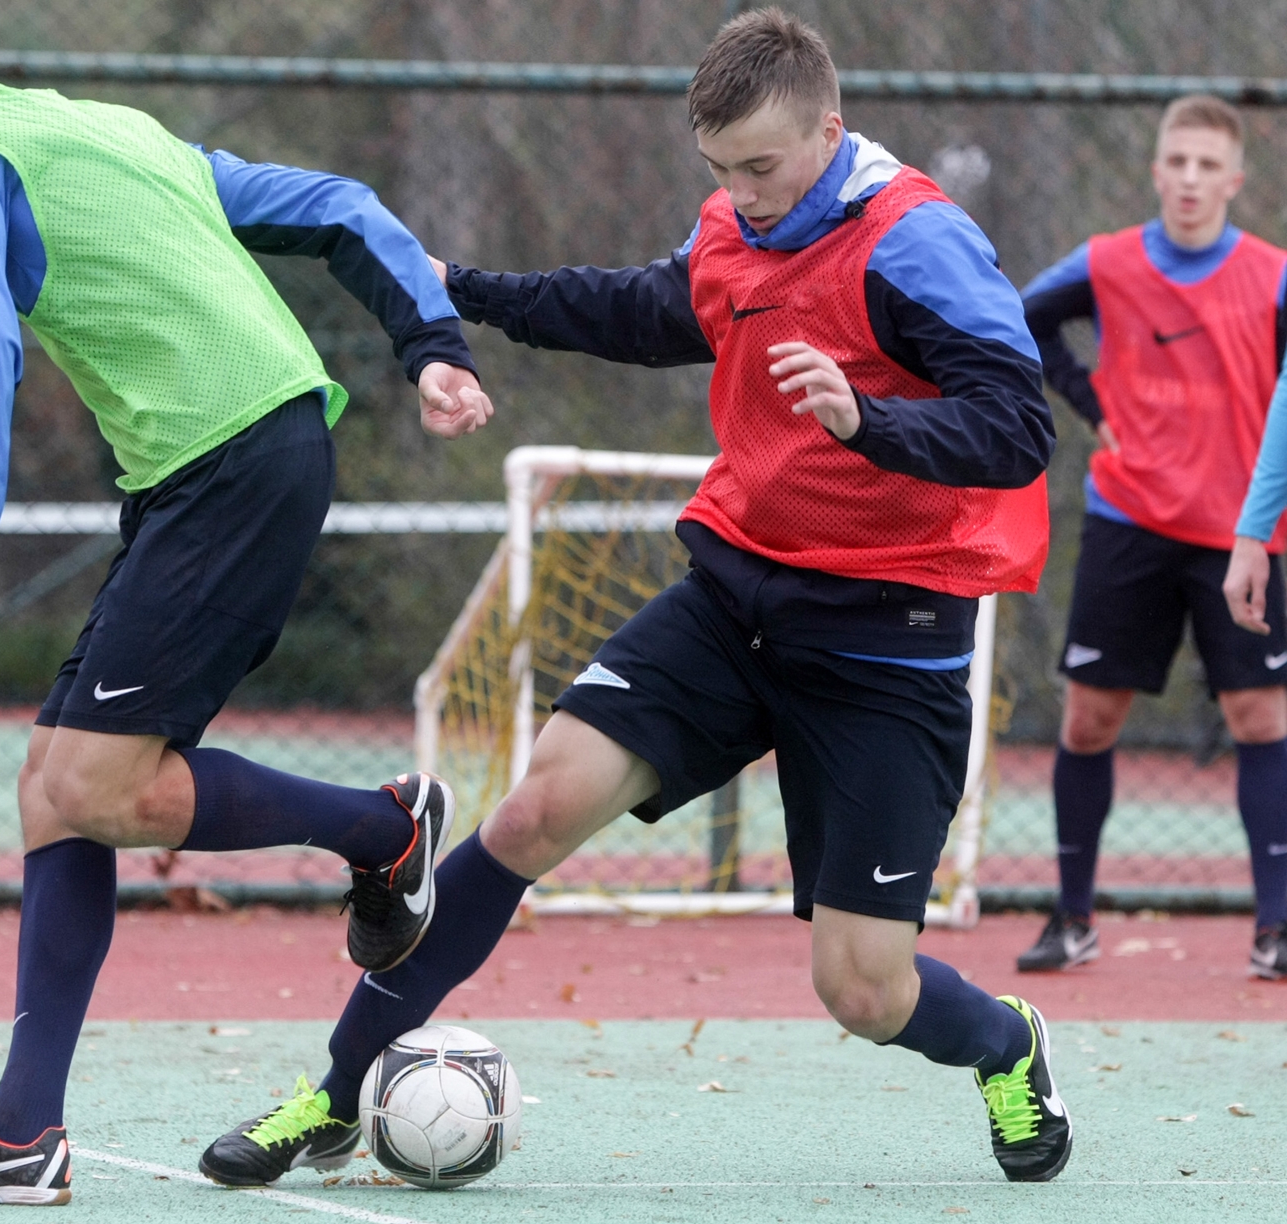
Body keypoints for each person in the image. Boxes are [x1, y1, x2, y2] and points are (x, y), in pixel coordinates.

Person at [203, 7, 1070, 1188]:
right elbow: (648, 309)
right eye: (719, 170)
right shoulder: (735, 221)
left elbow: (1019, 428)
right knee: (527, 814)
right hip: (733, 601)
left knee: (863, 990)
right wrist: (465, 290)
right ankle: (334, 1093)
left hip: (887, 638)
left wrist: (870, 419)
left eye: (762, 166)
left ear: (830, 125)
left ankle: (1004, 1043)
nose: (742, 193)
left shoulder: (915, 243)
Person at [0, 66, 493, 1205]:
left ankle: (383, 830)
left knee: (95, 785)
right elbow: (341, 204)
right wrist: (431, 340)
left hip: (227, 464)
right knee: (54, 786)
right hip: (221, 465)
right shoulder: (112, 133)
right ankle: (19, 1132)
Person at [1017, 95, 1287, 980]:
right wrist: (1093, 406)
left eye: (1209, 165)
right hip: (1128, 520)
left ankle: (1274, 929)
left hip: (1242, 533)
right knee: (1090, 720)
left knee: (1261, 718)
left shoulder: (1274, 276)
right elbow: (1023, 318)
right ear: (1156, 170)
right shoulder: (1109, 262)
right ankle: (1072, 918)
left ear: (1236, 180)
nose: (1191, 179)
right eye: (1177, 161)